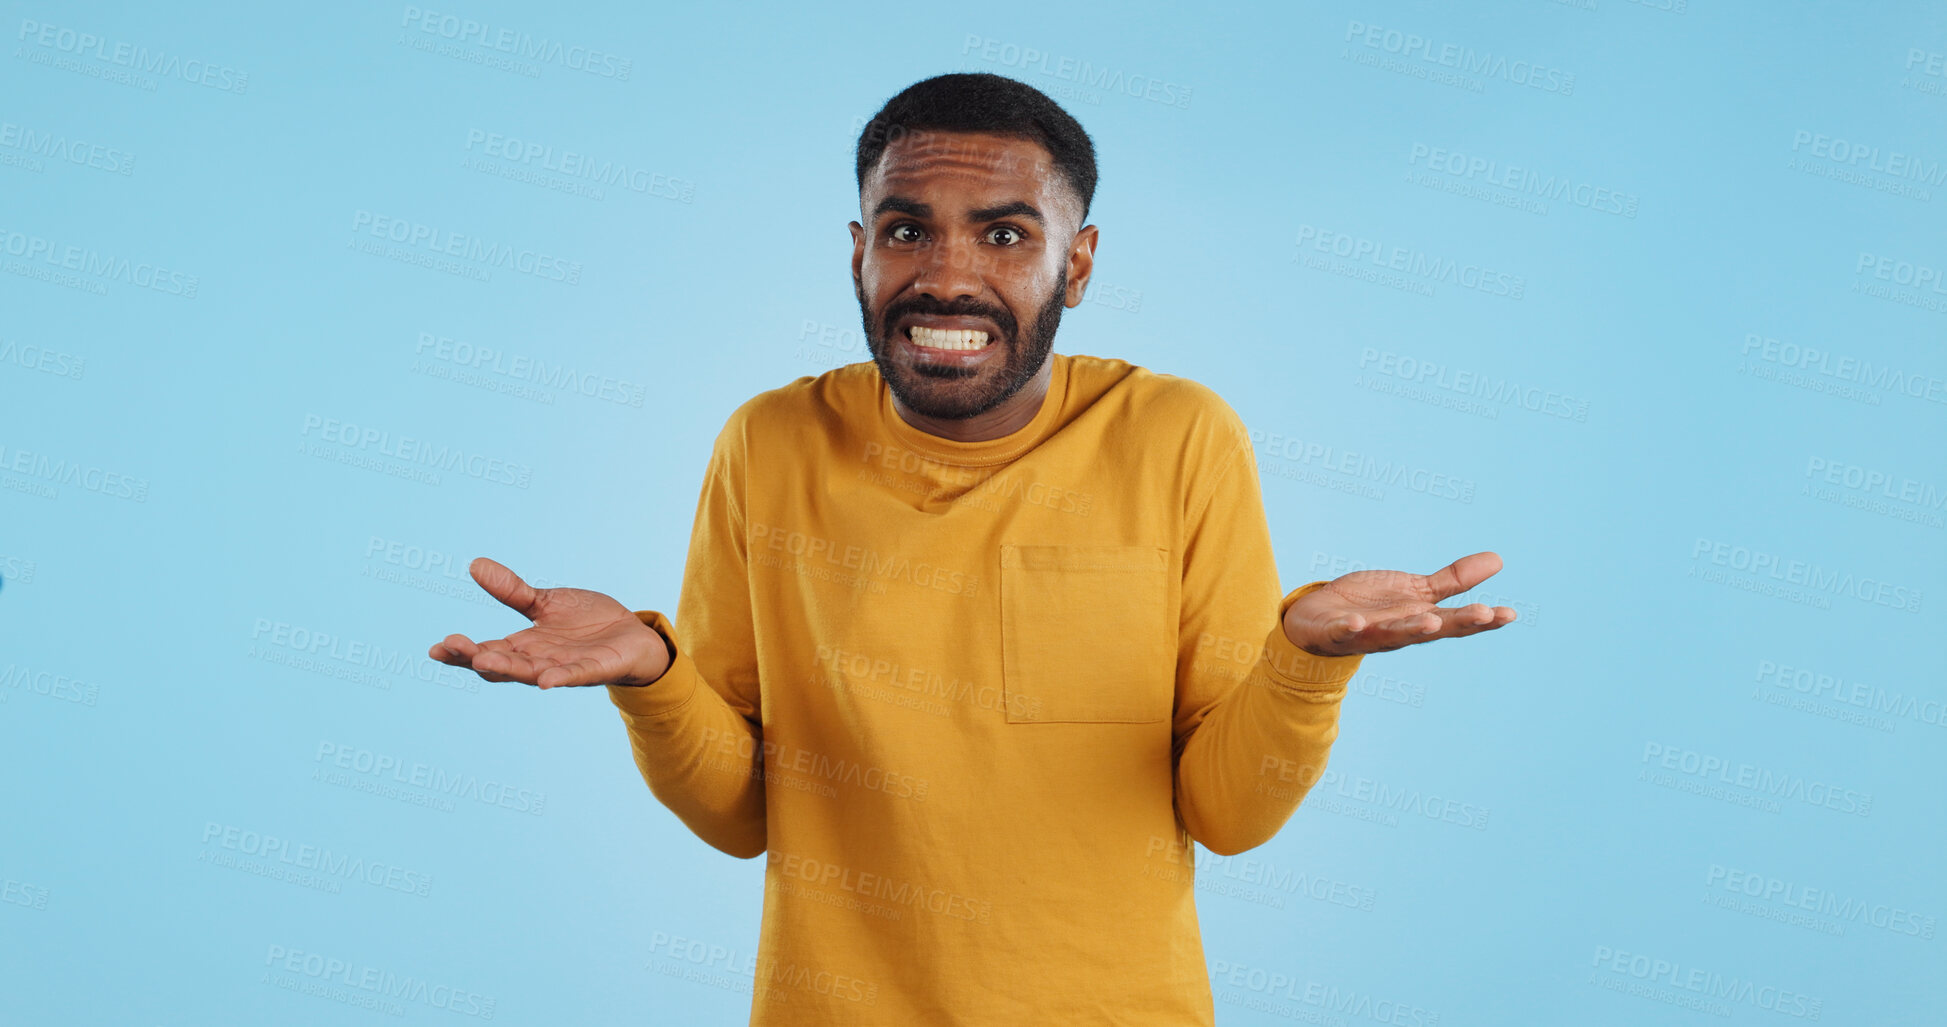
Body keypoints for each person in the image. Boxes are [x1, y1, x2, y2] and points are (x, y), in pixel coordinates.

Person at [429, 72, 1515, 1026]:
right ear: (858, 254)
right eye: (905, 230)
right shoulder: (770, 443)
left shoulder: (1179, 437)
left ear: (1077, 264)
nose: (945, 276)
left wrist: (1303, 667)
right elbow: (742, 814)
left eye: (1005, 234)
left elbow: (1228, 815)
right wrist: (654, 676)